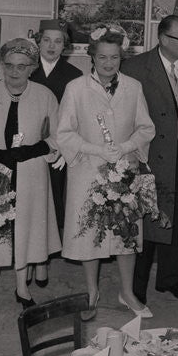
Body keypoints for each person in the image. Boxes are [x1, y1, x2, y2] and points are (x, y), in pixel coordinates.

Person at [57, 27, 155, 320]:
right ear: (92, 56)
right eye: (102, 57)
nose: (109, 63)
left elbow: (146, 128)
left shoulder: (133, 87)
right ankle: (91, 292)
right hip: (88, 170)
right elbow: (64, 133)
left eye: (114, 57)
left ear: (121, 57)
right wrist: (96, 149)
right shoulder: (76, 88)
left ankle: (127, 292)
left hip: (124, 169)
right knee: (90, 234)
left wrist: (125, 146)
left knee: (126, 234)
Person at [0, 38, 61, 316]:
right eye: (9, 66)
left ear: (32, 69)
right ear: (2, 67)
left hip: (29, 175)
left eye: (22, 66)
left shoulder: (45, 96)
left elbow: (58, 133)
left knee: (25, 231)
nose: (14, 72)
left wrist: (37, 149)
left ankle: (21, 288)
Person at [122, 15, 178, 303]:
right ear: (162, 39)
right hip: (151, 155)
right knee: (147, 220)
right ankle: (137, 287)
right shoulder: (135, 67)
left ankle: (171, 279)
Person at [29, 18, 82, 241]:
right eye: (47, 40)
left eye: (58, 41)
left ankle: (50, 245)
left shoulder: (75, 76)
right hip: (28, 142)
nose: (52, 46)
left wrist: (64, 149)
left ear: (65, 45)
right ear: (38, 42)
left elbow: (77, 118)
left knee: (54, 194)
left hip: (58, 147)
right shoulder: (26, 69)